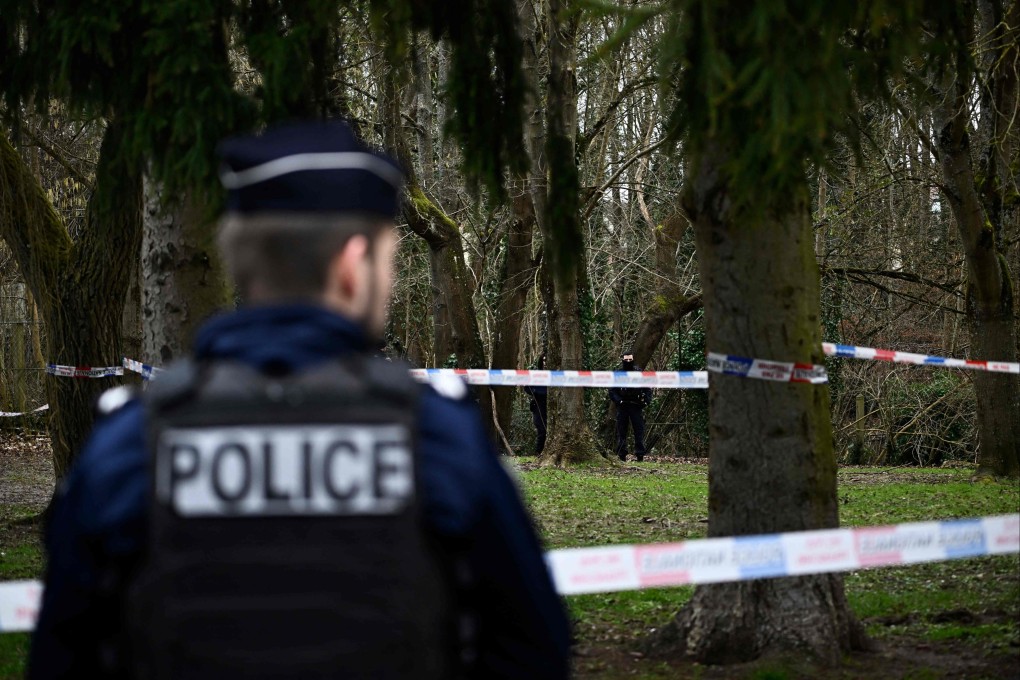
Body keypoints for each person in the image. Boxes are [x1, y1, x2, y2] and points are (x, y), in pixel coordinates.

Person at [28, 120, 570, 680]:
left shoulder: (127, 447)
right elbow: (533, 653)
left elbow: (62, 656)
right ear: (351, 267)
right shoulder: (440, 440)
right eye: (389, 259)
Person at [608, 351, 652, 462]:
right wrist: (619, 401)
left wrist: (646, 400)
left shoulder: (639, 373)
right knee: (621, 431)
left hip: (636, 406)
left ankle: (640, 455)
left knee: (639, 431)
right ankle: (621, 454)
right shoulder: (618, 374)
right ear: (623, 360)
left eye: (630, 360)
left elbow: (647, 388)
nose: (628, 362)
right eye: (626, 360)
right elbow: (612, 390)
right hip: (622, 406)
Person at [523, 354, 548, 455]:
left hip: (551, 405)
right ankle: (539, 452)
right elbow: (527, 387)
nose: (546, 363)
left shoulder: (556, 374)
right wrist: (535, 391)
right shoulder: (536, 375)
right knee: (542, 429)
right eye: (544, 361)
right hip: (538, 405)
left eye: (547, 361)